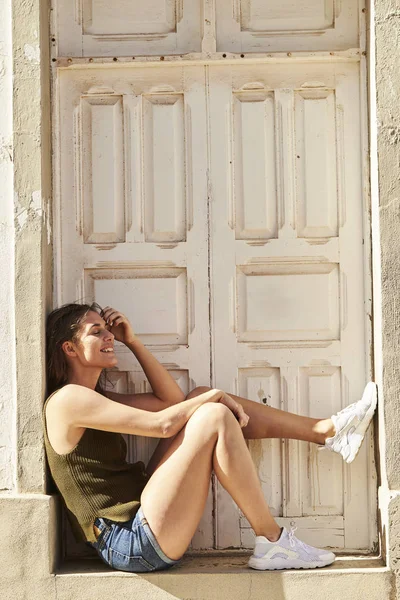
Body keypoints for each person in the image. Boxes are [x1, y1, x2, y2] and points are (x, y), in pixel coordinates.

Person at [44, 302, 377, 573]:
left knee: (201, 397)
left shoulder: (95, 399)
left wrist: (134, 341)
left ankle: (326, 432)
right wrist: (217, 398)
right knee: (213, 412)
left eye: (107, 330)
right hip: (130, 542)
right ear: (69, 348)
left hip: (143, 514)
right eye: (96, 331)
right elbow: (164, 425)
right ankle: (272, 541)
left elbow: (172, 403)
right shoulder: (68, 400)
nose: (108, 337)